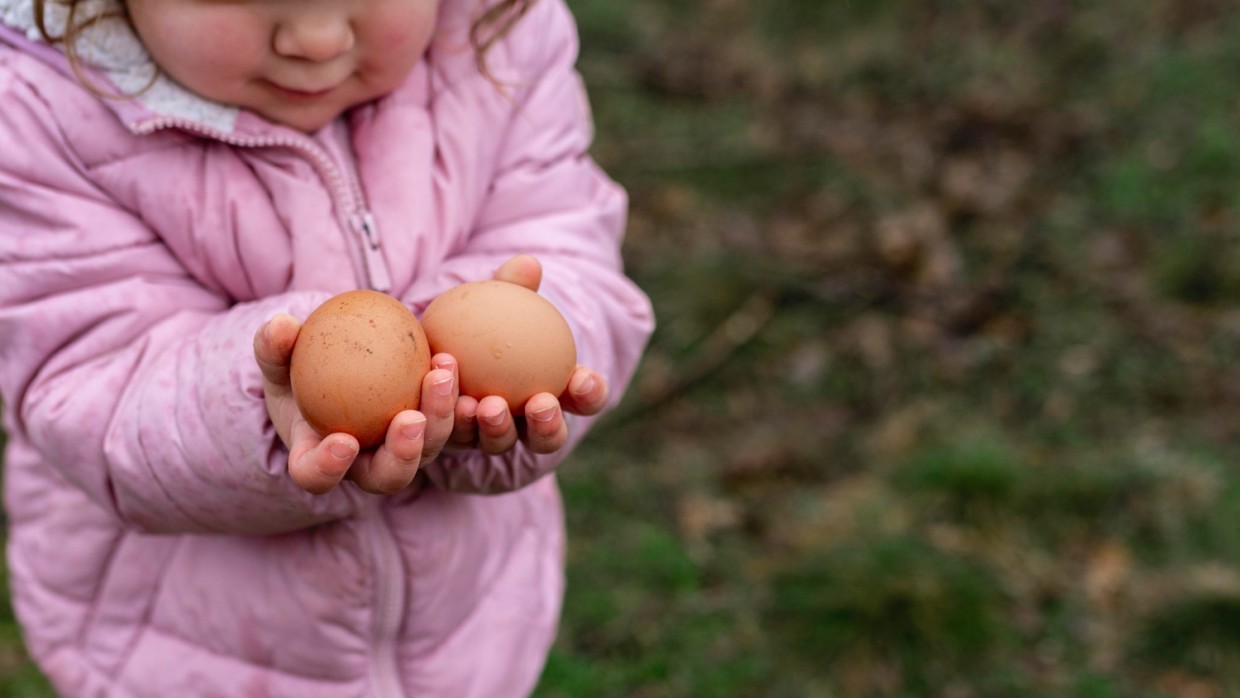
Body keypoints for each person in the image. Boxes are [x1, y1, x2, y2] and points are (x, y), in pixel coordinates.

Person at [0, 0, 654, 693]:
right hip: (187, 642)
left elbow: (567, 242)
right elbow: (86, 382)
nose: (316, 40)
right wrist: (266, 403)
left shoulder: (497, 37)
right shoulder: (41, 117)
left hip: (462, 621)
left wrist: (490, 358)